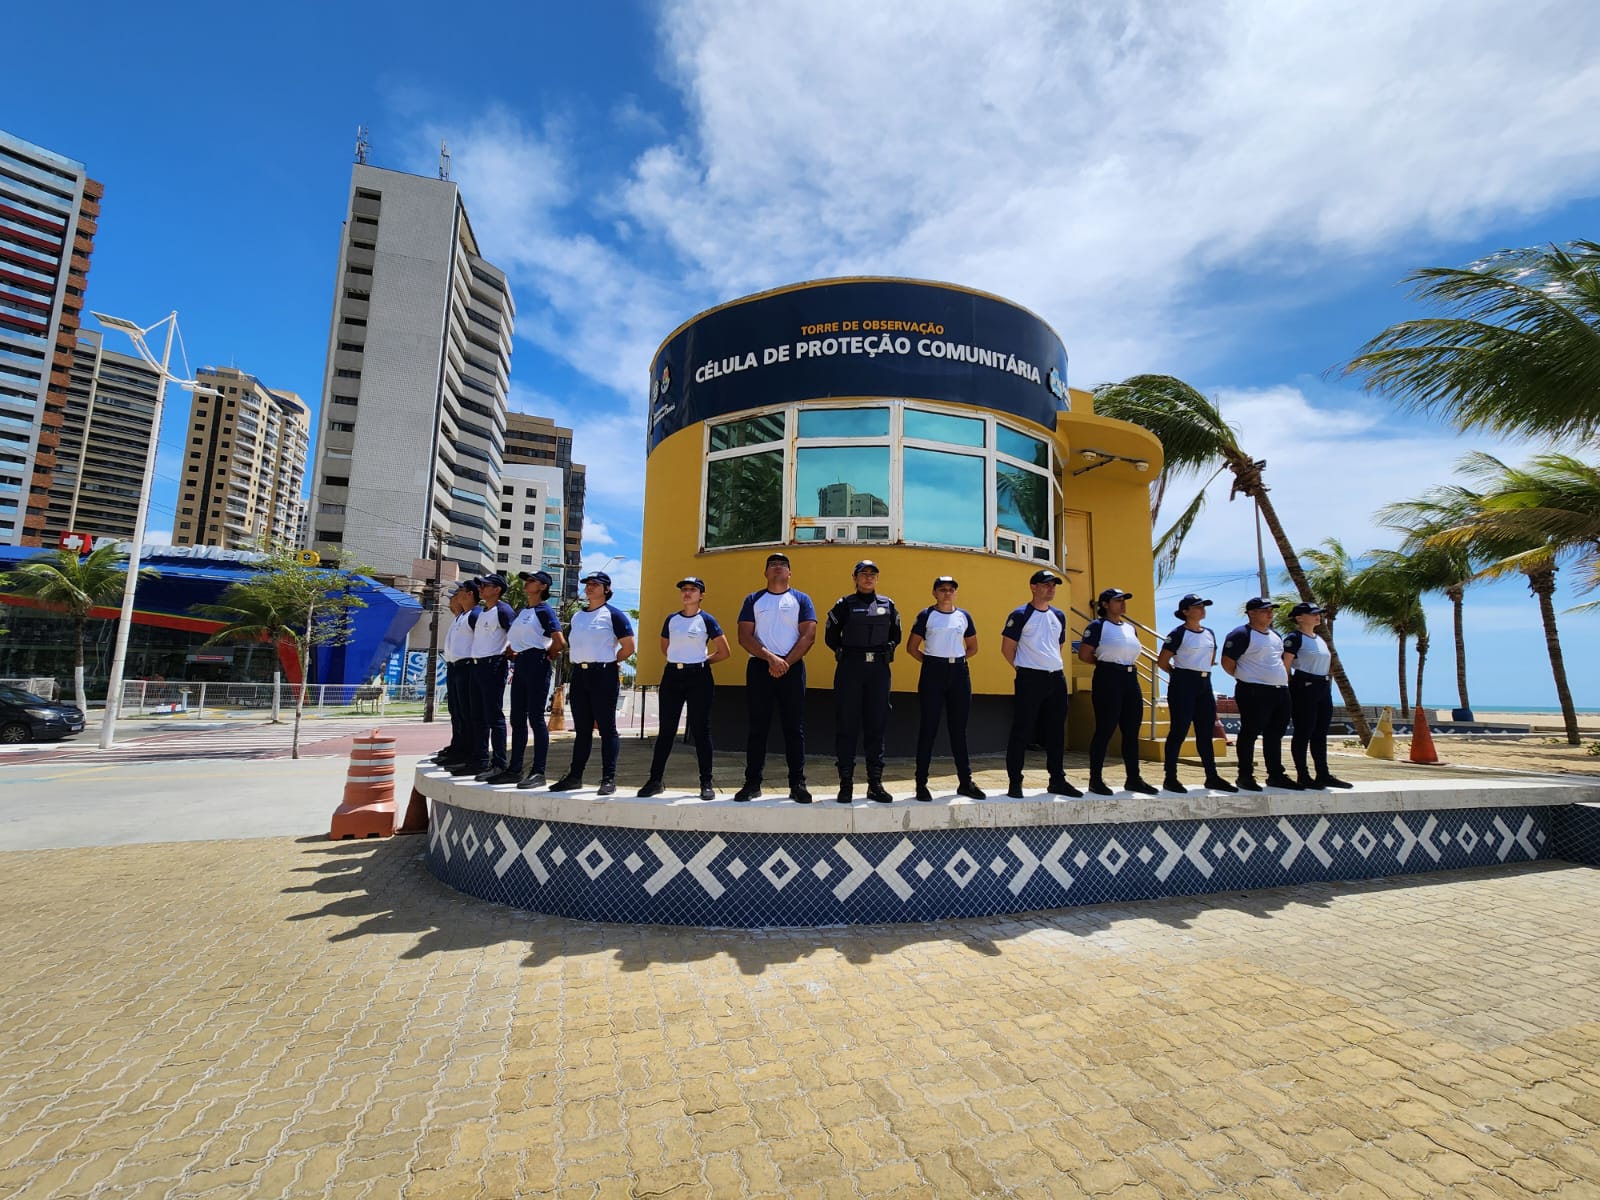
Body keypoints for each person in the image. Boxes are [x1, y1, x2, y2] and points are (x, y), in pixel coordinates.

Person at [735, 552, 818, 803]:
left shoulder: (801, 599)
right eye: (773, 565)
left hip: (792, 669)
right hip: (761, 668)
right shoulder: (753, 599)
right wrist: (771, 659)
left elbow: (809, 635)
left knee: (793, 728)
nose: (778, 568)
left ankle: (797, 784)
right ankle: (752, 784)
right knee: (758, 728)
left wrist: (785, 662)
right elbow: (744, 636)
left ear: (790, 573)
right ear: (766, 572)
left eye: (783, 565)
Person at [639, 576, 730, 801]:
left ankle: (706, 782)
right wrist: (680, 661)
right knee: (666, 731)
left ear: (701, 595)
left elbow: (724, 651)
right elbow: (665, 647)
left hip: (699, 677)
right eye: (684, 589)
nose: (687, 593)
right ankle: (655, 780)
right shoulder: (671, 619)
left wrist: (701, 661)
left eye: (692, 589)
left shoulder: (707, 620)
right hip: (672, 677)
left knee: (701, 730)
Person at [549, 571, 635, 796]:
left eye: (595, 584)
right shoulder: (578, 617)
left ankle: (608, 778)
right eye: (587, 584)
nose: (589, 587)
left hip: (603, 675)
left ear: (606, 589)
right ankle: (575, 776)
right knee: (583, 729)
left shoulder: (614, 615)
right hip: (580, 675)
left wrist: (610, 660)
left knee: (607, 729)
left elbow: (628, 647)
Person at [1001, 569, 1083, 799]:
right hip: (1030, 678)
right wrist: (1023, 669)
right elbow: (1007, 648)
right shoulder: (1020, 614)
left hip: (1056, 678)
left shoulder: (1059, 615)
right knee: (1022, 730)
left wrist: (1051, 667)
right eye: (1046, 585)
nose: (1051, 588)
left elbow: (1057, 645)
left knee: (1056, 731)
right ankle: (1015, 782)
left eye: (1054, 585)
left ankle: (1057, 780)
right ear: (1033, 587)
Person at [825, 560, 902, 804]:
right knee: (847, 725)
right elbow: (830, 636)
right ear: (855, 578)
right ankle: (845, 783)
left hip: (878, 670)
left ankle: (875, 784)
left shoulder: (888, 605)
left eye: (873, 574)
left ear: (877, 579)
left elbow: (896, 635)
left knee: (876, 725)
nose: (868, 578)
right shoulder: (844, 605)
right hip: (851, 669)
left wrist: (887, 649)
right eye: (863, 574)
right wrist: (843, 652)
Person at [908, 575, 985, 802]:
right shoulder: (926, 615)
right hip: (933, 673)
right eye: (942, 589)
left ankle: (965, 781)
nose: (947, 593)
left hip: (959, 674)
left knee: (958, 730)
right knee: (928, 729)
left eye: (951, 589)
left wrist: (955, 660)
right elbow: (912, 647)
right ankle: (921, 783)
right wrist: (934, 663)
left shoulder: (964, 616)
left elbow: (973, 647)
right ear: (934, 592)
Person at [485, 570, 565, 787]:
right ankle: (515, 769)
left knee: (536, 719)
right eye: (526, 580)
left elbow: (559, 640)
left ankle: (538, 771)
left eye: (531, 581)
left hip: (537, 662)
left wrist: (547, 655)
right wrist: (512, 649)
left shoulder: (544, 610)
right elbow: (516, 637)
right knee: (517, 718)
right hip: (520, 664)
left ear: (542, 587)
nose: (526, 583)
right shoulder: (524, 611)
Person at [1078, 586, 1159, 796]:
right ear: (1105, 605)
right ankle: (1095, 779)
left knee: (1131, 731)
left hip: (1130, 677)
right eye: (1117, 600)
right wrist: (1107, 665)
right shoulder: (1098, 626)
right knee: (1105, 729)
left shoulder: (1130, 628)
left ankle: (1133, 778)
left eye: (1124, 599)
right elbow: (1085, 654)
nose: (1122, 604)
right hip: (1108, 678)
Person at [1156, 593, 1235, 794]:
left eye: (1203, 606)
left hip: (1204, 683)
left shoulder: (1209, 632)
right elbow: (1163, 661)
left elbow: (1210, 658)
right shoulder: (1178, 633)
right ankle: (1170, 777)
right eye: (1197, 607)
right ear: (1185, 611)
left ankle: (1212, 775)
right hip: (1183, 682)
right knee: (1179, 730)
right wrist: (1177, 675)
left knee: (1205, 731)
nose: (1202, 610)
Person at [1220, 597, 1299, 791]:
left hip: (1280, 691)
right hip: (1254, 690)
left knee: (1275, 734)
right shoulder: (1240, 634)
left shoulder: (1275, 635)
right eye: (1265, 610)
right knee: (1250, 732)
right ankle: (1245, 776)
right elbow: (1227, 662)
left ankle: (1275, 774)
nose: (1270, 613)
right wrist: (1247, 677)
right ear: (1251, 613)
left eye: (1271, 610)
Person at [1283, 602, 1354, 790]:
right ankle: (1303, 775)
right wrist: (1291, 687)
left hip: (1322, 687)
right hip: (1304, 686)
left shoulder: (1319, 638)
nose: (1318, 616)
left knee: (1320, 733)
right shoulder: (1294, 638)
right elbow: (1285, 665)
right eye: (1313, 614)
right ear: (1299, 618)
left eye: (1318, 613)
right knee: (1303, 731)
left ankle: (1323, 774)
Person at [432, 579, 479, 767]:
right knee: (456, 710)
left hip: (467, 666)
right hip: (454, 666)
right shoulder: (461, 616)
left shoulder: (475, 615)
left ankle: (468, 750)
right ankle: (458, 746)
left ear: (470, 594)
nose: (455, 595)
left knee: (467, 712)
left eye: (460, 591)